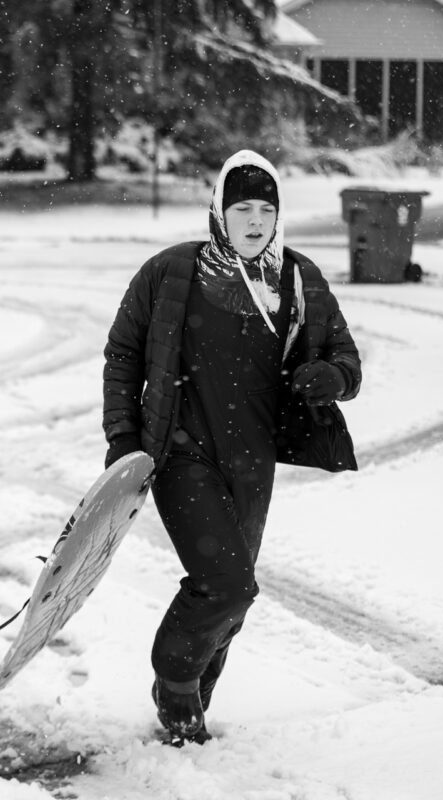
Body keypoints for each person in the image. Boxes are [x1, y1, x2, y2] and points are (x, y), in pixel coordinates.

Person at [101, 150, 361, 745]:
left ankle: (193, 707)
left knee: (235, 600)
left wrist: (331, 379)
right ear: (219, 210)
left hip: (252, 460)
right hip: (180, 454)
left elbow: (347, 361)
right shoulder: (170, 273)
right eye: (242, 207)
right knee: (227, 583)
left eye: (266, 209)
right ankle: (175, 691)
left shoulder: (297, 280)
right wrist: (122, 439)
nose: (254, 220)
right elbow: (124, 355)